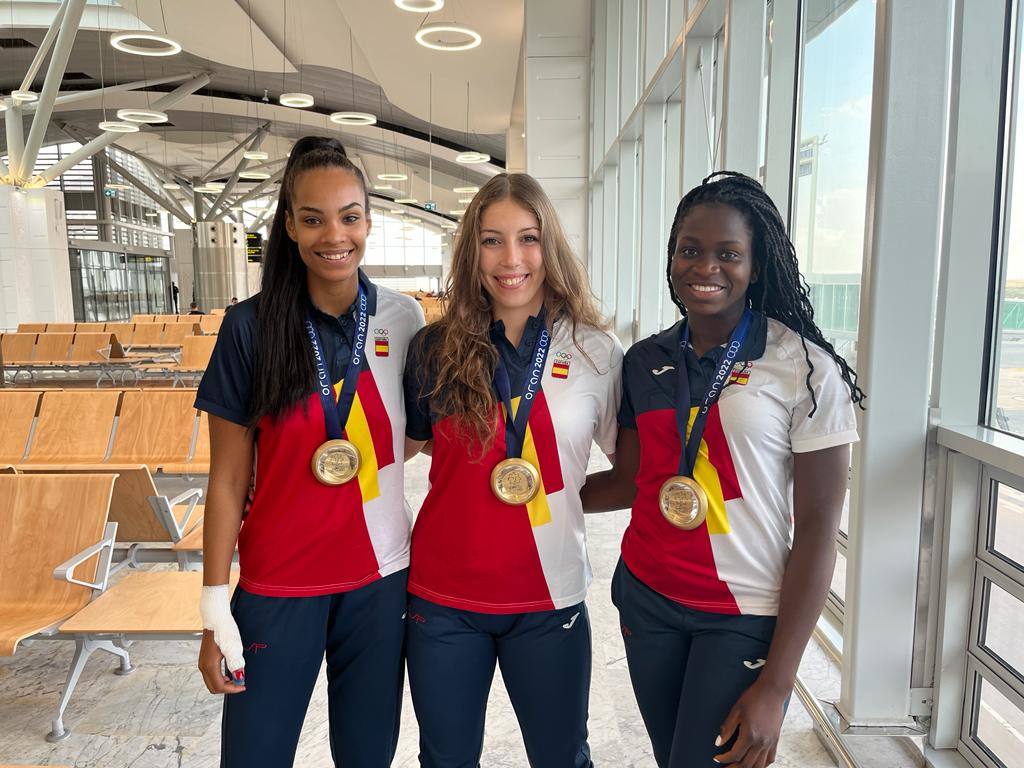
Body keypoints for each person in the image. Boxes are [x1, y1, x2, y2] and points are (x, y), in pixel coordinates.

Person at [582, 172, 864, 768]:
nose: (705, 266)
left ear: (755, 267)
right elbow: (633, 482)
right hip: (649, 597)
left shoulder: (803, 368)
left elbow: (817, 527)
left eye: (728, 253)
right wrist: (529, 488)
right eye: (690, 249)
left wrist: (780, 685)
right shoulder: (645, 361)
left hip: (742, 612)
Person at [195, 135, 424, 768]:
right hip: (278, 583)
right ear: (290, 226)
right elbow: (225, 479)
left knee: (367, 754)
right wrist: (215, 605)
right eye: (314, 218)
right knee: (255, 755)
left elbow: (417, 431)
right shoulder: (250, 327)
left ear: (370, 221)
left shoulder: (402, 319)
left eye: (350, 216)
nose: (335, 235)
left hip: (379, 581)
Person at [403, 173, 622, 768]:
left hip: (549, 596)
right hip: (443, 599)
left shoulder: (596, 352)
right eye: (491, 240)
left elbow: (630, 473)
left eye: (528, 238)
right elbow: (404, 448)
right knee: (445, 760)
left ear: (550, 247)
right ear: (470, 251)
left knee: (561, 757)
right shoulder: (433, 349)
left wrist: (561, 496)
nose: (511, 259)